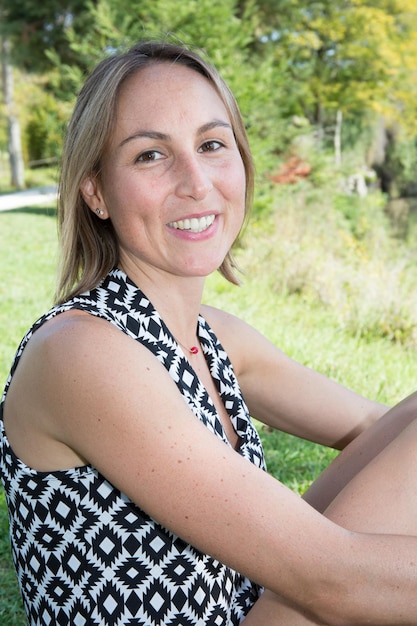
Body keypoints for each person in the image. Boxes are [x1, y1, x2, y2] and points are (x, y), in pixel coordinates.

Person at [1, 39, 417, 626]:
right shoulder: (81, 352)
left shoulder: (211, 336)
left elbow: (381, 431)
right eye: (150, 155)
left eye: (212, 144)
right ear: (96, 190)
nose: (196, 182)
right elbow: (333, 579)